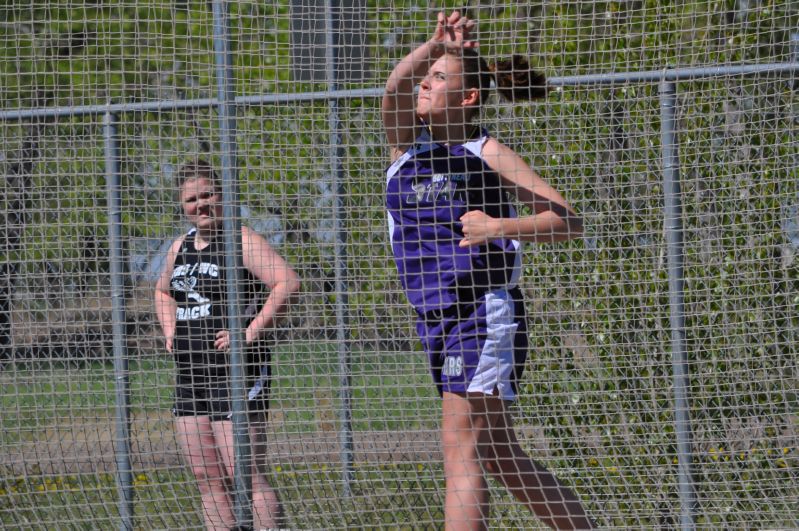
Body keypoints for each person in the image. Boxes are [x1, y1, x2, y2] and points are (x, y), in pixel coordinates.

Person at [382, 10, 595, 531]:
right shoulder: (407, 146)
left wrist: (500, 227)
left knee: (461, 451)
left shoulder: (488, 152)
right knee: (499, 457)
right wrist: (433, 47)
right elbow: (393, 89)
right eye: (426, 75)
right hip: (435, 316)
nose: (425, 84)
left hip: (482, 311)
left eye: (439, 77)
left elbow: (567, 222)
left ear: (468, 97)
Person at [154, 160, 300, 530]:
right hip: (190, 375)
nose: (200, 204)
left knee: (244, 475)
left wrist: (249, 332)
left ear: (222, 196)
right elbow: (161, 291)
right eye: (191, 199)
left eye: (207, 194)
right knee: (207, 478)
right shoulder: (179, 247)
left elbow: (287, 283)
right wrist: (170, 330)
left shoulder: (241, 239)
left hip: (236, 374)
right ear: (181, 205)